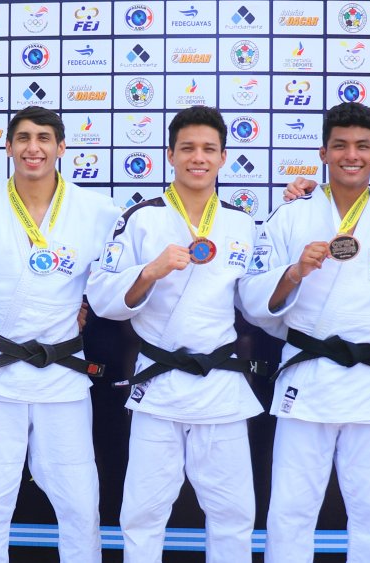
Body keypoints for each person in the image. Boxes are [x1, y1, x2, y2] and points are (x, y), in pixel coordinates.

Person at [240, 101, 370, 563]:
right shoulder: (290, 216)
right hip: (307, 378)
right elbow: (251, 296)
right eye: (339, 145)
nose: (351, 155)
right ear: (322, 153)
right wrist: (295, 271)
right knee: (291, 510)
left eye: (363, 146)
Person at [86, 105, 262, 562]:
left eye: (208, 149)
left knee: (233, 514)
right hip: (159, 384)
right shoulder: (141, 219)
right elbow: (103, 295)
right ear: (170, 154)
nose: (197, 158)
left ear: (224, 157)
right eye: (187, 148)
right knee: (142, 514)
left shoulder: (242, 223)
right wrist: (150, 271)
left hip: (220, 385)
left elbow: (258, 301)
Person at [0, 106, 118, 563]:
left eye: (44, 138)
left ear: (61, 147)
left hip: (62, 377)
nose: (33, 147)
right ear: (8, 147)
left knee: (80, 501)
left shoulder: (98, 211)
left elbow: (121, 274)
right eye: (23, 138)